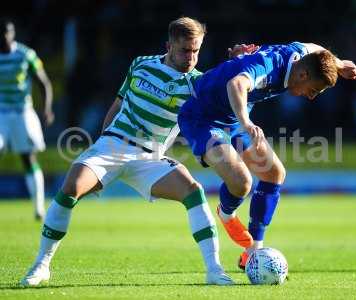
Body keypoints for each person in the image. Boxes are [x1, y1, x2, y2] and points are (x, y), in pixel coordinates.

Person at [20, 17, 257, 287]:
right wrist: (103, 141)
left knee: (194, 192)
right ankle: (42, 265)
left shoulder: (198, 85)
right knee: (70, 187)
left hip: (150, 157)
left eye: (196, 51)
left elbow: (229, 90)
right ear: (169, 46)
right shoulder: (141, 64)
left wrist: (238, 64)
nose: (191, 57)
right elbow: (118, 104)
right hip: (112, 145)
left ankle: (214, 271)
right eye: (185, 50)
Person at [178, 42, 356, 269]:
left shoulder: (301, 58)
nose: (311, 97)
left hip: (233, 118)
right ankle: (226, 214)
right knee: (242, 182)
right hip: (203, 117)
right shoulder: (268, 66)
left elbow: (314, 48)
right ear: (303, 74)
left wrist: (339, 63)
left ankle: (253, 252)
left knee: (274, 173)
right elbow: (235, 83)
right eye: (313, 90)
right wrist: (246, 122)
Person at [0, 19, 54, 221]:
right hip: (1, 112)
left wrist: (47, 108)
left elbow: (44, 82)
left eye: (7, 32)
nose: (4, 37)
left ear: (13, 33)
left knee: (27, 157)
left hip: (22, 111)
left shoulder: (25, 54)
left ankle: (39, 207)